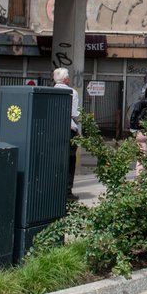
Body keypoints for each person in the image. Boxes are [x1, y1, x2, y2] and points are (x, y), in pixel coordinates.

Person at [53, 67, 80, 201]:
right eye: (68, 76)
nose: (69, 78)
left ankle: (54, 188)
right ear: (65, 79)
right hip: (69, 130)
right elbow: (74, 114)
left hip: (53, 130)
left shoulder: (50, 91)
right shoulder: (72, 92)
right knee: (70, 160)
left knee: (55, 159)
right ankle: (67, 191)